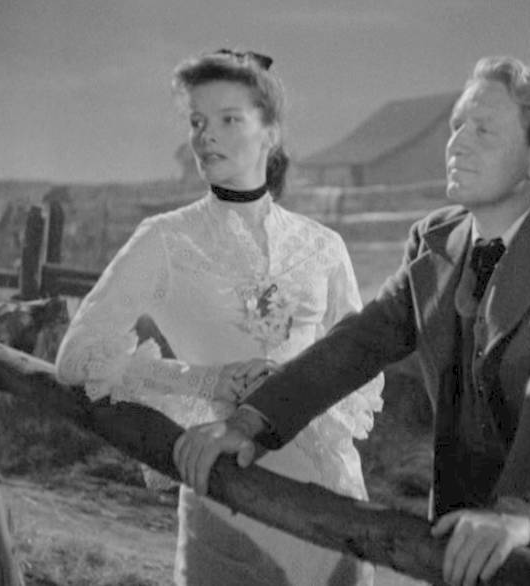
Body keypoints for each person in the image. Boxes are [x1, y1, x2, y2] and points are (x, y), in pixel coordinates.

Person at [174, 55, 530, 586]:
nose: (457, 144)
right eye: (457, 126)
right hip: (474, 519)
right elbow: (356, 344)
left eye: (483, 130)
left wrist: (516, 508)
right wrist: (250, 423)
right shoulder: (436, 242)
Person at [55, 49, 383, 586]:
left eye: (229, 119)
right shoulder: (164, 240)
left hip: (331, 500)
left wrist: (290, 384)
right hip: (225, 494)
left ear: (270, 132)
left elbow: (359, 368)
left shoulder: (323, 246)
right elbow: (77, 356)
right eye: (197, 121)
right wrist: (206, 382)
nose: (206, 136)